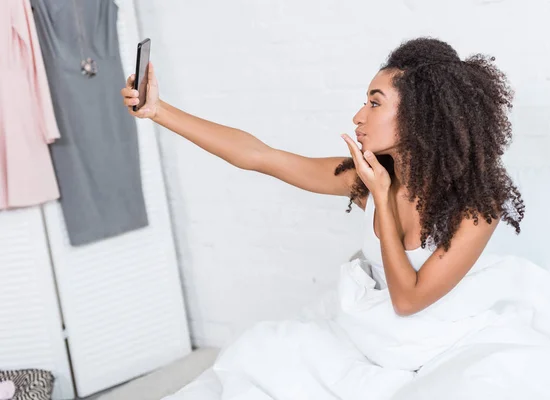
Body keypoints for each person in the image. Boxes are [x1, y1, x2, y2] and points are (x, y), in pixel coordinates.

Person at [120, 37, 525, 316]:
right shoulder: (365, 179)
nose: (358, 115)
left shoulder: (477, 210)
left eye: (374, 102)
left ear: (420, 115)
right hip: (376, 330)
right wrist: (159, 111)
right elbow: (260, 156)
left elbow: (408, 302)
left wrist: (382, 200)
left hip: (436, 335)